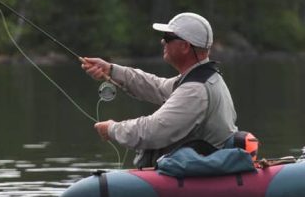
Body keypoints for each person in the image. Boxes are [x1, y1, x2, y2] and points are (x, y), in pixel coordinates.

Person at [81, 12, 238, 168]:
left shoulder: (195, 90)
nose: (163, 41)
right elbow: (156, 86)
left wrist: (112, 129)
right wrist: (111, 70)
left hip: (201, 175)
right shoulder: (204, 78)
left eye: (168, 38)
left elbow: (152, 131)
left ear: (185, 46)